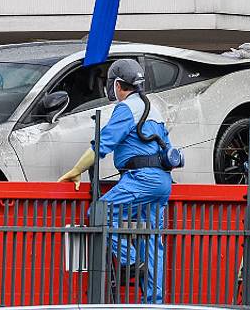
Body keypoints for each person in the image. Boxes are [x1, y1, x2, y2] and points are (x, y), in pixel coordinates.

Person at [58, 58, 175, 303]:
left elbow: (103, 144)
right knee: (152, 239)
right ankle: (154, 303)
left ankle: (130, 261)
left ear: (118, 85)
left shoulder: (127, 108)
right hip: (162, 181)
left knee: (101, 213)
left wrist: (77, 169)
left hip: (140, 178)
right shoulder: (154, 108)